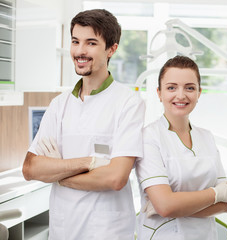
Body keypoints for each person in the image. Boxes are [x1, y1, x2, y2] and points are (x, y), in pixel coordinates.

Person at [22, 9, 145, 240]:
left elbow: (115, 178)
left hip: (107, 231)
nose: (80, 51)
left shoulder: (128, 103)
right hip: (64, 229)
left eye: (91, 43)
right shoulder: (59, 104)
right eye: (75, 41)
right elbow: (30, 168)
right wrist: (90, 163)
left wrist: (57, 172)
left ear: (112, 49)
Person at [135, 55, 227, 240]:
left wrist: (172, 205)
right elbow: (166, 206)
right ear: (159, 93)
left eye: (189, 88)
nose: (181, 95)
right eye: (171, 87)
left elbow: (226, 204)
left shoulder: (206, 137)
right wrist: (215, 193)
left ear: (199, 93)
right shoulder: (148, 137)